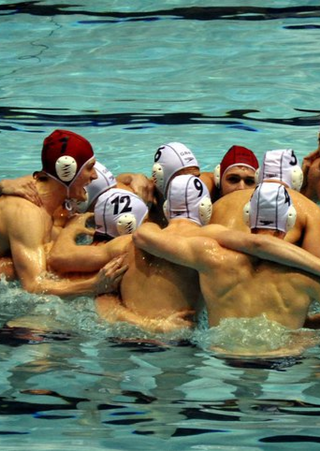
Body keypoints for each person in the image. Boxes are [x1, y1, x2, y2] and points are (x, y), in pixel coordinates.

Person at [133, 182, 320, 355]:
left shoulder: (212, 258)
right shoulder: (306, 276)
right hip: (283, 360)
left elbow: (142, 235)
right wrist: (303, 330)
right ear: (290, 220)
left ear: (247, 216)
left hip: (223, 356)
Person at [48, 175, 213, 332]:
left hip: (104, 335)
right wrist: (156, 326)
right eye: (146, 220)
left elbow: (58, 258)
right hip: (164, 342)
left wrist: (70, 227)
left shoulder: (116, 250)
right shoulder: (203, 249)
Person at [0, 129, 126, 297]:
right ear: (66, 171)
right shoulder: (27, 214)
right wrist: (93, 286)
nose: (95, 176)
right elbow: (34, 285)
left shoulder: (50, 196)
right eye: (89, 168)